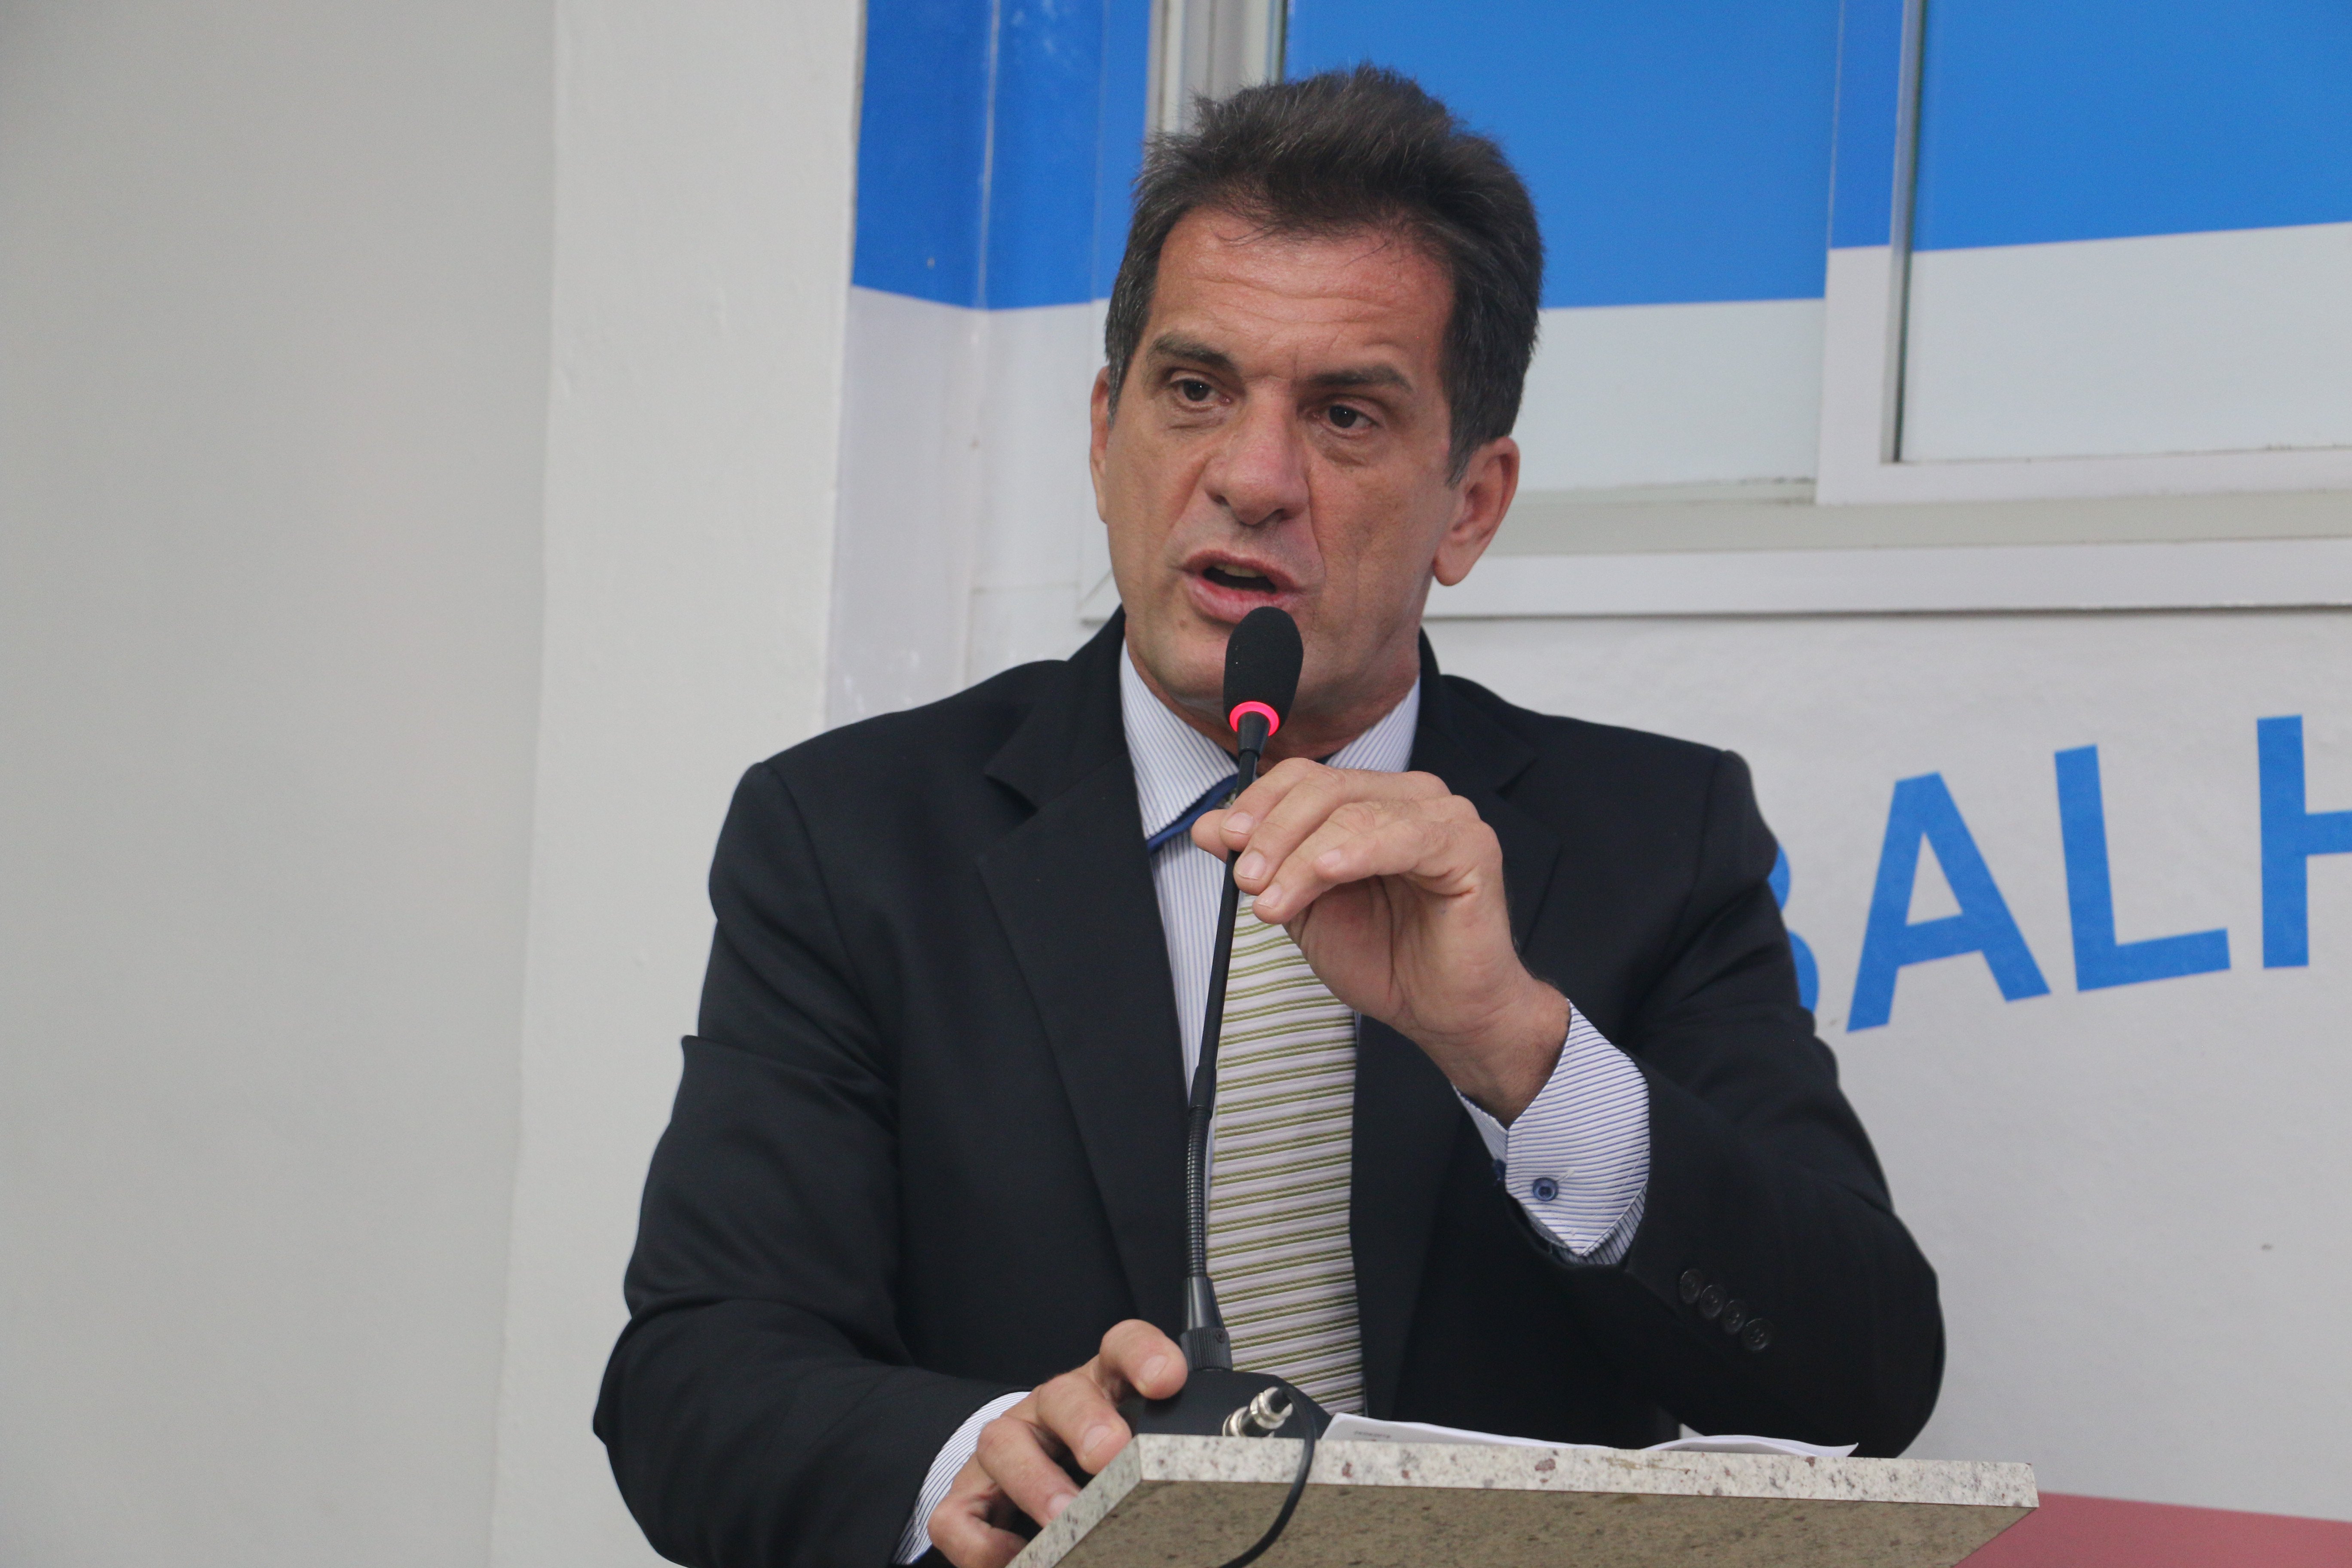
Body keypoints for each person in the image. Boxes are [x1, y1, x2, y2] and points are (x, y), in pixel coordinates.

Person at [595, 66, 1943, 1568]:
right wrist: (975, 1460)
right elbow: (693, 1381)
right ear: (1103, 433)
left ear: (1472, 505)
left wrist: (1517, 1051)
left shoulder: (1657, 837)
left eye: (1347, 415)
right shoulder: (849, 838)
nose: (1250, 479)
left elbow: (1864, 1382)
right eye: (1194, 391)